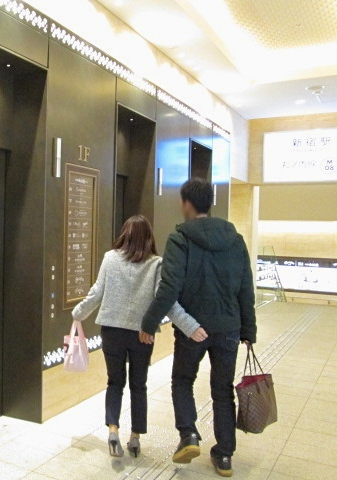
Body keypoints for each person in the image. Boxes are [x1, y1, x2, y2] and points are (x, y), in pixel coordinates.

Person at [139, 178, 257, 478]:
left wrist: (149, 323)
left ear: (187, 204)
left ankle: (189, 434)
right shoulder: (235, 240)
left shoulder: (180, 238)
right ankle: (225, 455)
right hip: (228, 328)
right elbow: (246, 288)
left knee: (182, 381)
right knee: (222, 390)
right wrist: (249, 330)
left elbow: (169, 288)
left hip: (193, 329)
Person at [72, 215, 208, 458]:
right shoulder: (156, 263)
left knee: (114, 382)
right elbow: (165, 302)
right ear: (148, 237)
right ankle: (135, 437)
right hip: (142, 335)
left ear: (124, 234)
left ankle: (113, 429)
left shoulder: (110, 258)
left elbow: (96, 292)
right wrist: (191, 326)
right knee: (138, 385)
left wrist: (78, 313)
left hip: (112, 331)